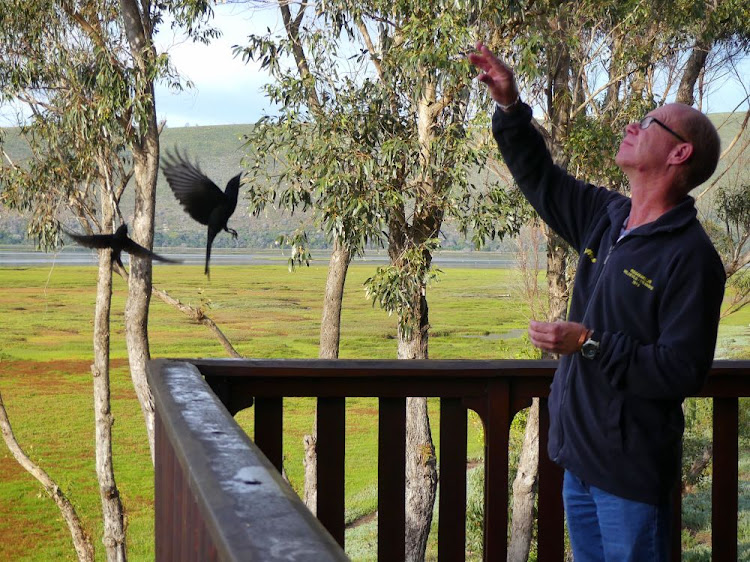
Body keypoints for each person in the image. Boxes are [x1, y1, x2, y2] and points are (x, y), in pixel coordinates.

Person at [469, 42, 726, 561]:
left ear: (679, 154)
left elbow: (681, 371)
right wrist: (510, 104)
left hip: (631, 476)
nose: (633, 126)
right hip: (578, 461)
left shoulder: (691, 257)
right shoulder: (606, 216)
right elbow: (540, 178)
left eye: (650, 123)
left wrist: (587, 342)